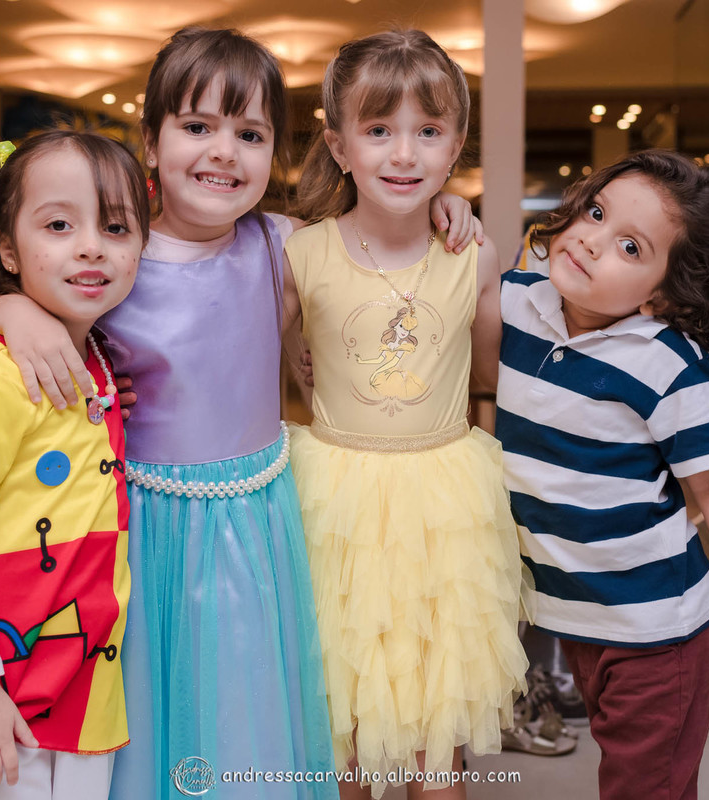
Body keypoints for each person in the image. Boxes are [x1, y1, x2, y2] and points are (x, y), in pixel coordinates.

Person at [0, 27, 479, 800]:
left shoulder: (281, 244)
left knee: (250, 711)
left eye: (250, 134)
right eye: (197, 126)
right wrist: (7, 311)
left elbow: (380, 231)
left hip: (259, 526)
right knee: (155, 711)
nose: (223, 152)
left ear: (277, 152)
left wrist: (447, 205)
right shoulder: (115, 257)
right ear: (150, 141)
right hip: (144, 530)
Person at [497, 150, 709, 800]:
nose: (592, 240)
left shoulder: (667, 363)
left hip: (660, 632)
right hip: (579, 617)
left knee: (646, 789)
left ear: (662, 293)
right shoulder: (517, 301)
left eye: (630, 247)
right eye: (596, 213)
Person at [283, 30, 527, 799]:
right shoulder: (298, 253)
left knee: (434, 740)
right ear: (339, 146)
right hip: (334, 509)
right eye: (379, 129)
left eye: (428, 132)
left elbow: (490, 373)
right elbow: (259, 356)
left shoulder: (476, 257)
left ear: (455, 148)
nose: (403, 153)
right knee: (344, 731)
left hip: (443, 509)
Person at [0, 129, 149, 799]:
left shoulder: (94, 361)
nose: (91, 246)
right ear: (8, 250)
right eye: (59, 225)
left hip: (82, 690)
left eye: (115, 227)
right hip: (5, 697)